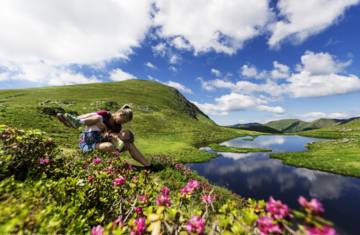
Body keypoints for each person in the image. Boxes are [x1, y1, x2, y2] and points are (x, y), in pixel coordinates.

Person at [57, 105, 152, 169]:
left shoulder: (118, 127)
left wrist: (111, 136)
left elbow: (113, 139)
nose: (123, 123)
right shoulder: (105, 114)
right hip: (88, 139)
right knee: (98, 117)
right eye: (124, 120)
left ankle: (148, 166)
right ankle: (76, 121)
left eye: (125, 122)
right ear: (120, 114)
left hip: (98, 143)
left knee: (128, 144)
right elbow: (90, 116)